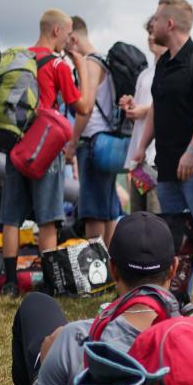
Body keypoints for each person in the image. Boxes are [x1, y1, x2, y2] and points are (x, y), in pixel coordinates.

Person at [7, 211, 178, 385]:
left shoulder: (75, 338)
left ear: (112, 269)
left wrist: (49, 360)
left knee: (37, 304)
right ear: (173, 269)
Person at [131, 0, 193, 296]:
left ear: (169, 24)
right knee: (174, 235)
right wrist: (141, 147)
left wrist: (192, 151)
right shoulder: (164, 63)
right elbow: (157, 109)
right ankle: (176, 293)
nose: (152, 25)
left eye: (156, 19)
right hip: (167, 165)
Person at [0, 9, 91, 298]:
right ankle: (51, 284)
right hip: (45, 147)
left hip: (17, 146)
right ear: (56, 31)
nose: (67, 40)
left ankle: (11, 283)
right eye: (66, 34)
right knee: (48, 218)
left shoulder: (21, 59)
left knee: (11, 217)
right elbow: (83, 107)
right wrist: (82, 67)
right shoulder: (58, 65)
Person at [65, 16, 119, 247]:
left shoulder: (89, 63)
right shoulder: (104, 60)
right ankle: (109, 266)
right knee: (107, 208)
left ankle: (96, 270)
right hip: (109, 142)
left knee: (93, 211)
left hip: (92, 142)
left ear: (74, 38)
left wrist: (72, 141)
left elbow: (84, 108)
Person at [121, 18, 167, 214]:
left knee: (156, 216)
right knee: (139, 215)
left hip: (156, 158)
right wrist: (132, 107)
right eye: (148, 32)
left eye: (154, 32)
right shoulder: (145, 74)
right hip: (140, 159)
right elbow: (140, 111)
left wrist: (143, 110)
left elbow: (169, 106)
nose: (150, 37)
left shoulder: (170, 71)